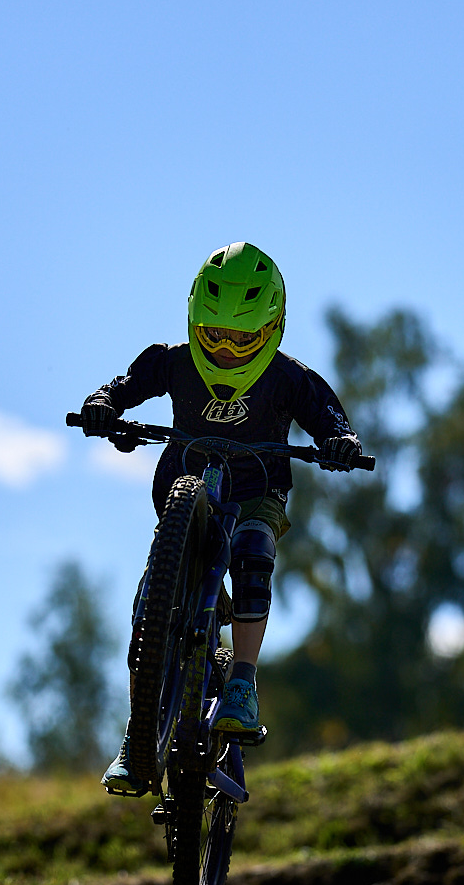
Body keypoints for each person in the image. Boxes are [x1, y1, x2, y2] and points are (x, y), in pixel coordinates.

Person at [79, 242, 362, 796]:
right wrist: (104, 406)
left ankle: (242, 684)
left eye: (243, 339)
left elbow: (327, 414)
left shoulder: (288, 378)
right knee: (149, 606)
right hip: (184, 488)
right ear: (194, 321)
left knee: (254, 555)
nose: (227, 350)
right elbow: (124, 385)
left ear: (272, 330)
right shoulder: (172, 361)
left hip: (256, 491)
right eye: (214, 335)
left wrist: (340, 441)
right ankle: (138, 737)